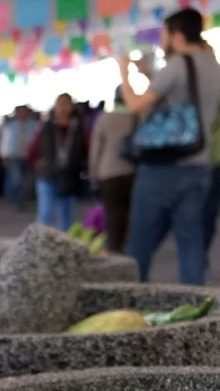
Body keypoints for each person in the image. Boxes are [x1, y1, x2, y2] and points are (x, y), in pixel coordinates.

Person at [120, 8, 220, 284]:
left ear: (176, 35)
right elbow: (183, 96)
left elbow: (136, 104)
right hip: (199, 166)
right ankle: (197, 307)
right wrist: (149, 73)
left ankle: (130, 302)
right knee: (191, 243)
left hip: (164, 168)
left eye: (164, 34)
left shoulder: (177, 65)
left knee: (139, 244)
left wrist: (124, 72)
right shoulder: (213, 65)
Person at [30, 93, 88, 232]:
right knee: (46, 212)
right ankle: (37, 245)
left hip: (69, 176)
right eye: (60, 104)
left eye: (66, 104)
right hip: (48, 174)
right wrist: (37, 164)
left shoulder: (78, 127)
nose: (63, 108)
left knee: (66, 214)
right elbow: (34, 148)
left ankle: (65, 247)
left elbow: (85, 149)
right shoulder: (47, 126)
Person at [88, 90, 137, 253]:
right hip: (132, 172)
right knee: (128, 213)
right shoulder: (136, 117)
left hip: (108, 172)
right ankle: (125, 247)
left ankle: (114, 249)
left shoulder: (104, 118)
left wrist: (93, 175)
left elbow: (95, 150)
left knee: (113, 214)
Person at [0, 106, 38, 211]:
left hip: (28, 156)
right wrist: (3, 154)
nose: (22, 114)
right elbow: (5, 141)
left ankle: (21, 198)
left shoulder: (34, 125)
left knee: (26, 180)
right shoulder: (11, 126)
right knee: (17, 180)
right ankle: (18, 201)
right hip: (14, 156)